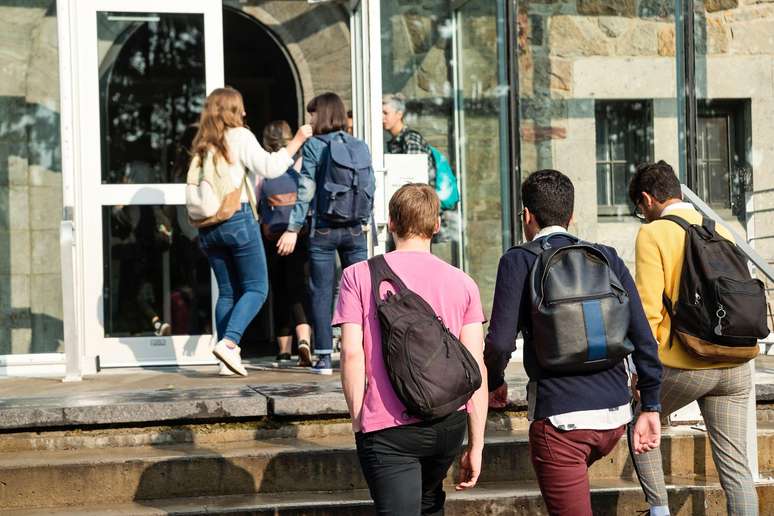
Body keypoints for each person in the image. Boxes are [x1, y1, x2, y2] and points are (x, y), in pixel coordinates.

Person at [484, 169, 663, 516]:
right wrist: (651, 405)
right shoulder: (606, 256)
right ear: (571, 216)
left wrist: (494, 381)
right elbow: (643, 336)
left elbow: (501, 343)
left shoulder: (519, 260)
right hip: (614, 417)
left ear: (527, 216)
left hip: (561, 423)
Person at [334, 183, 488, 515]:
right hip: (448, 423)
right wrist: (476, 444)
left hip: (389, 427)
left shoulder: (358, 276)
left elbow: (351, 353)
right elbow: (476, 366)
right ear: (436, 225)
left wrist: (360, 420)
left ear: (391, 222)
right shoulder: (463, 282)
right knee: (428, 502)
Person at [628, 161, 759, 516]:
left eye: (640, 209)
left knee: (639, 421)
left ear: (647, 200)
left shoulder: (653, 233)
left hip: (686, 366)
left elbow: (647, 313)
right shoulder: (722, 230)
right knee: (737, 468)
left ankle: (659, 510)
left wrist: (642, 372)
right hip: (736, 364)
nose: (643, 216)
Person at [191, 87, 312, 376]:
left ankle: (225, 360)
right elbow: (269, 167)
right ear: (232, 111)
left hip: (209, 227)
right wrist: (297, 140)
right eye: (241, 107)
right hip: (237, 219)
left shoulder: (204, 143)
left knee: (228, 292)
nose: (245, 112)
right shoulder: (240, 136)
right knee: (257, 288)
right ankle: (229, 343)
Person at [284, 92, 373, 374]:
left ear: (320, 114)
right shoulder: (359, 145)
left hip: (323, 228)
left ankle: (324, 357)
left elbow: (306, 189)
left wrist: (293, 227)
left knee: (321, 291)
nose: (310, 118)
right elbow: (369, 186)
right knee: (361, 291)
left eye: (312, 113)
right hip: (355, 228)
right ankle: (366, 352)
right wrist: (366, 219)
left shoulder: (314, 146)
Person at [258, 120, 313, 368]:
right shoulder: (299, 163)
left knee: (279, 289)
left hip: (273, 237)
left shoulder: (264, 168)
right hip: (298, 234)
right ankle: (304, 340)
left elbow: (256, 201)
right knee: (298, 288)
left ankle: (282, 351)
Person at [382, 93, 435, 183]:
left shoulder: (411, 138)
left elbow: (415, 176)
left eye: (385, 113)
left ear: (399, 114)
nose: (381, 117)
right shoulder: (395, 141)